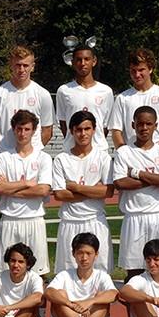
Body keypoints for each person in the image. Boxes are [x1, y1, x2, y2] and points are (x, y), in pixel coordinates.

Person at [112, 106, 159, 281]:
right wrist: (156, 179)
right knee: (134, 273)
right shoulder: (124, 152)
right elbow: (120, 182)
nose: (144, 128)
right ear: (133, 125)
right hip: (134, 217)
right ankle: (136, 309)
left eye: (148, 124)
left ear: (156, 125)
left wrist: (138, 174)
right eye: (140, 124)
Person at [51, 110, 114, 275]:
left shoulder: (103, 158)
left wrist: (76, 188)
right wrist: (94, 190)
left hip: (95, 221)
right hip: (69, 222)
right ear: (71, 131)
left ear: (94, 130)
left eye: (87, 129)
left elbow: (108, 191)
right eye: (78, 129)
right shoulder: (61, 159)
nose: (83, 133)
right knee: (67, 277)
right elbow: (59, 194)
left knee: (100, 276)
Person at [0, 110, 53, 276]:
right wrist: (24, 184)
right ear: (13, 129)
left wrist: (9, 188)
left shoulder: (43, 158)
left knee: (38, 274)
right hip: (9, 220)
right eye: (19, 129)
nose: (22, 133)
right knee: (5, 273)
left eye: (26, 129)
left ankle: (36, 302)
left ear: (34, 130)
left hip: (34, 219)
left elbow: (43, 190)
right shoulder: (3, 157)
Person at [46, 232, 118, 317]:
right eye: (80, 253)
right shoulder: (64, 275)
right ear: (73, 254)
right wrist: (71, 305)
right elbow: (49, 292)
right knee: (59, 295)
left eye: (89, 253)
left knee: (102, 298)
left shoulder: (102, 276)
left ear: (96, 254)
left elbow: (114, 294)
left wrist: (89, 302)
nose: (84, 258)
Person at [108, 48, 159, 148]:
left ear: (150, 69)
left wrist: (158, 153)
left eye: (141, 70)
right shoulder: (122, 98)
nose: (137, 75)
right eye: (133, 71)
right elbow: (116, 131)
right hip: (131, 156)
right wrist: (125, 154)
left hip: (157, 158)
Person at [0, 46, 54, 152]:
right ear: (11, 66)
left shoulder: (43, 94)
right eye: (18, 65)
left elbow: (47, 131)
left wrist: (32, 151)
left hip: (33, 159)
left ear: (32, 67)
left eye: (25, 65)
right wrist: (5, 150)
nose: (21, 70)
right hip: (6, 156)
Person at [54, 44, 114, 153]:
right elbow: (63, 123)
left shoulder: (106, 91)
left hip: (98, 150)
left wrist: (95, 142)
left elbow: (106, 125)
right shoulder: (63, 90)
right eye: (78, 60)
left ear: (94, 61)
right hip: (71, 151)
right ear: (72, 62)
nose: (83, 63)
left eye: (87, 59)